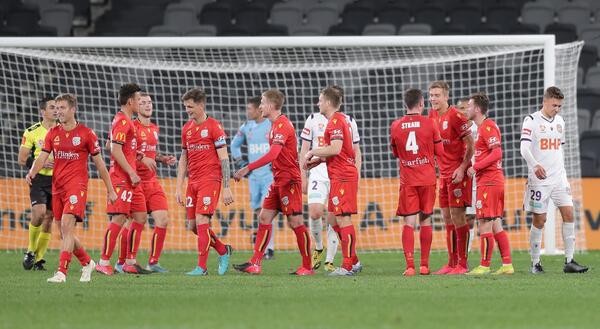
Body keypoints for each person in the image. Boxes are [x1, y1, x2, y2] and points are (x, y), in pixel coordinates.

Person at [26, 93, 117, 283]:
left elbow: (100, 164)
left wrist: (110, 189)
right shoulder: (53, 133)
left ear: (73, 109)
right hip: (57, 187)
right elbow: (42, 157)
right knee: (64, 232)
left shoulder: (86, 133)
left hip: (77, 186)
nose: (58, 111)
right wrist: (32, 172)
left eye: (62, 108)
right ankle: (87, 262)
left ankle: (61, 272)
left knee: (67, 226)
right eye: (56, 108)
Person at [233, 89, 313, 276]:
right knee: (264, 217)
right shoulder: (273, 125)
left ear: (270, 105)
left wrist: (248, 167)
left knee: (295, 222)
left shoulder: (283, 125)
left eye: (262, 102)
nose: (260, 106)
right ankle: (255, 263)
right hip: (278, 181)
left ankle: (307, 266)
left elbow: (273, 154)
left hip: (289, 181)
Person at [520, 86, 588, 274]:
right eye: (554, 105)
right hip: (539, 179)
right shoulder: (531, 121)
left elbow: (558, 147)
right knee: (540, 220)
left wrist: (561, 171)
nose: (557, 109)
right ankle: (535, 263)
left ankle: (569, 261)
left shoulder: (560, 121)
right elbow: (524, 149)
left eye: (559, 106)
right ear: (545, 101)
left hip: (559, 178)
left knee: (569, 214)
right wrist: (534, 165)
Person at [299, 89, 362, 272]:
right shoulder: (341, 120)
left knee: (344, 220)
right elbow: (339, 152)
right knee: (334, 220)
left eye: (320, 100)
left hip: (343, 176)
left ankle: (347, 266)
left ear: (327, 102)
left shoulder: (335, 121)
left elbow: (335, 148)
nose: (318, 104)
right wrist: (317, 161)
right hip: (338, 174)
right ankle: (355, 261)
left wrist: (312, 152)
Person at [175, 88, 234, 276]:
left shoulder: (215, 127)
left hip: (211, 180)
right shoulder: (187, 129)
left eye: (190, 107)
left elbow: (224, 158)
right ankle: (223, 250)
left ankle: (202, 267)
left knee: (202, 220)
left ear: (201, 105)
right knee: (193, 226)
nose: (188, 111)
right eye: (185, 107)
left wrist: (226, 187)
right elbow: (184, 157)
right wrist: (179, 187)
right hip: (193, 182)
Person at [96, 83, 151, 275]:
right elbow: (115, 149)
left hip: (131, 179)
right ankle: (103, 262)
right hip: (122, 178)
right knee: (119, 218)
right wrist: (131, 172)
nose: (140, 102)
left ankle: (129, 261)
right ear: (130, 101)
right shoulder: (122, 121)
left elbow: (118, 145)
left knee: (140, 216)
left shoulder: (127, 121)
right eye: (137, 99)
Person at [390, 88, 443, 276]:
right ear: (421, 104)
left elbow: (396, 153)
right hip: (428, 179)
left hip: (408, 180)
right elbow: (440, 152)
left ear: (405, 104)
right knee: (426, 219)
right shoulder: (430, 124)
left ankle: (410, 266)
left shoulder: (395, 125)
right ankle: (424, 265)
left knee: (409, 222)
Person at [126, 92, 177, 272]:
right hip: (134, 182)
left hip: (152, 182)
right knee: (132, 222)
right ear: (136, 106)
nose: (148, 105)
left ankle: (153, 262)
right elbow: (122, 152)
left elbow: (151, 153)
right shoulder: (131, 127)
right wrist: (141, 159)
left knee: (163, 220)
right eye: (143, 103)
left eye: (150, 102)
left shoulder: (155, 128)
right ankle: (126, 260)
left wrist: (162, 159)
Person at [428, 81, 475, 275]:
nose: (433, 99)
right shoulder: (431, 116)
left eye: (437, 95)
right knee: (447, 217)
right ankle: (451, 262)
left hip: (458, 174)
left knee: (458, 217)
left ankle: (462, 264)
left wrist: (463, 167)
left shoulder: (455, 116)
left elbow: (471, 143)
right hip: (443, 175)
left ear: (446, 97)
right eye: (431, 95)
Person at [464, 92, 514, 275]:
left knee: (484, 223)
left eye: (469, 106)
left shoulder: (487, 126)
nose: (467, 109)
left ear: (477, 109)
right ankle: (507, 264)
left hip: (490, 181)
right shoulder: (484, 127)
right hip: (492, 181)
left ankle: (484, 266)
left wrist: (475, 167)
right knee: (496, 224)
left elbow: (497, 153)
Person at [231, 97, 275, 259]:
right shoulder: (246, 127)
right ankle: (263, 247)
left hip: (269, 175)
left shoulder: (271, 125)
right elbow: (234, 145)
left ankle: (269, 248)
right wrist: (240, 161)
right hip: (253, 176)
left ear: (258, 110)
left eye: (250, 109)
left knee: (266, 210)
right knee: (258, 211)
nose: (247, 111)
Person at [18, 97, 57, 271]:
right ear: (43, 111)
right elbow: (22, 159)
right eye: (52, 107)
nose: (56, 110)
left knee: (49, 219)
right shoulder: (32, 132)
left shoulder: (63, 130)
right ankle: (30, 250)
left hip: (57, 180)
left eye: (57, 107)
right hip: (39, 179)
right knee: (39, 213)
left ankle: (39, 260)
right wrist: (39, 162)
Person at [455, 98, 477, 252]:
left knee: (472, 218)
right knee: (458, 217)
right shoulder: (454, 128)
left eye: (466, 107)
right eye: (460, 108)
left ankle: (465, 253)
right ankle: (457, 253)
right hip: (459, 176)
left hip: (475, 178)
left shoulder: (478, 127)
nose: (463, 111)